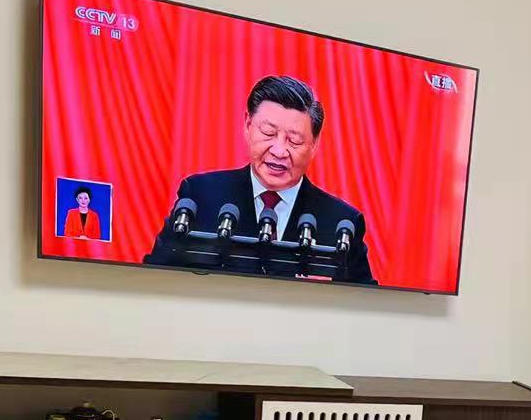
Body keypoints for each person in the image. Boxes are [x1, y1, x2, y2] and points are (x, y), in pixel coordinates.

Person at [144, 75, 375, 283]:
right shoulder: (200, 197)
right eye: (268, 133)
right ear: (248, 125)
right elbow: (153, 279)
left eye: (294, 140)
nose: (279, 151)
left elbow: (365, 303)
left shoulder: (342, 223)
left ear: (314, 144)